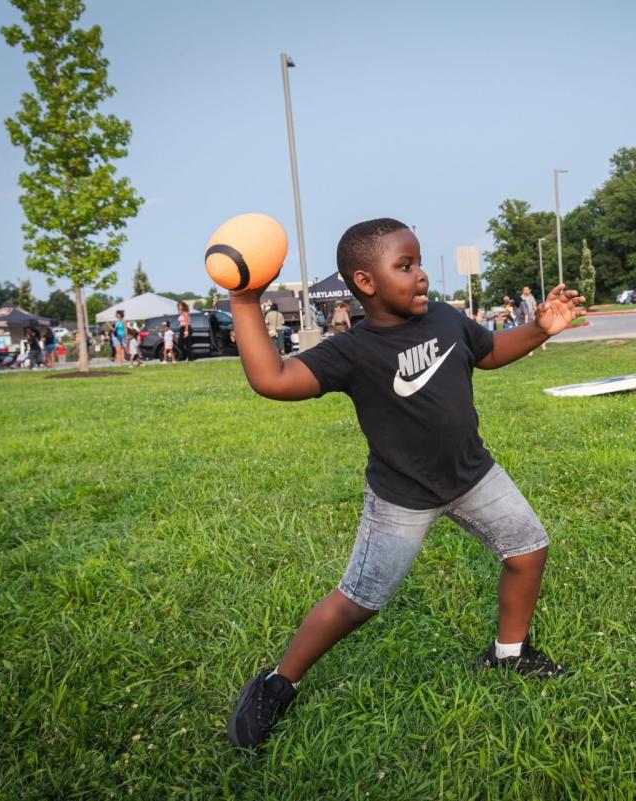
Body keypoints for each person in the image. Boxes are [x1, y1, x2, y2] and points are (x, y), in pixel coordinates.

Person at [225, 218, 584, 749]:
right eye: (406, 266)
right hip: (402, 498)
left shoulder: (445, 317)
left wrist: (539, 328)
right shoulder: (352, 350)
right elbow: (272, 380)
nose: (421, 276)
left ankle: (509, 654)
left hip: (473, 475)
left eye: (418, 263)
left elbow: (488, 353)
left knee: (528, 549)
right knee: (360, 600)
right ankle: (278, 682)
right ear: (366, 282)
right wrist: (246, 301)